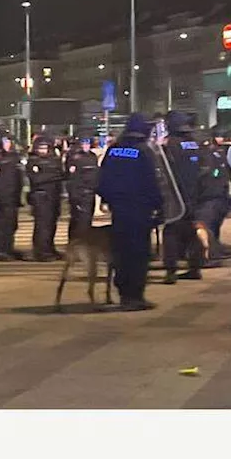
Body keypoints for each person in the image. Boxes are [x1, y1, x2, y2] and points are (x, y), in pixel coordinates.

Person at [96, 113, 162, 311]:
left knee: (121, 253)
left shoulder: (114, 150)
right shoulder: (144, 151)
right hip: (140, 210)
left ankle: (124, 294)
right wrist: (158, 206)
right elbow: (153, 182)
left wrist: (109, 200)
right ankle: (135, 296)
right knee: (139, 254)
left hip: (120, 210)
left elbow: (103, 178)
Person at [160, 111, 204, 284]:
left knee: (171, 232)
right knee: (191, 231)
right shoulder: (194, 143)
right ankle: (195, 267)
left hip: (175, 195)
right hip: (194, 195)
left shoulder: (171, 145)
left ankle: (171, 270)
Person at [197, 126, 231, 264]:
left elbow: (223, 172)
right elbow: (206, 174)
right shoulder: (206, 153)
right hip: (209, 195)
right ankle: (211, 251)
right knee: (207, 225)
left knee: (214, 224)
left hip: (219, 194)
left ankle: (215, 248)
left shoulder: (218, 152)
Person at [27, 136, 64, 262]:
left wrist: (51, 176)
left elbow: (61, 175)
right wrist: (52, 176)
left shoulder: (55, 160)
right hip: (40, 196)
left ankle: (49, 248)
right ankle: (41, 251)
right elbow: (36, 179)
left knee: (51, 224)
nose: (43, 151)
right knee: (42, 225)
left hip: (53, 196)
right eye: (40, 148)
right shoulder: (33, 161)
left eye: (45, 148)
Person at [0, 136, 24, 261]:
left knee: (11, 224)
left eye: (9, 142)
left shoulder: (13, 157)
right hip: (2, 196)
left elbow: (18, 178)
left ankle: (8, 248)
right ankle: (0, 250)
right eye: (5, 142)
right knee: (2, 223)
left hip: (13, 195)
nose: (8, 144)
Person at [65, 136, 100, 238]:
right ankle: (75, 241)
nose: (86, 146)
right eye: (84, 144)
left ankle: (84, 241)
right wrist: (74, 194)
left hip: (90, 192)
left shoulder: (92, 156)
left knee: (87, 219)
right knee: (78, 219)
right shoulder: (74, 157)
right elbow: (72, 177)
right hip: (79, 192)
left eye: (88, 144)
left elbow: (95, 174)